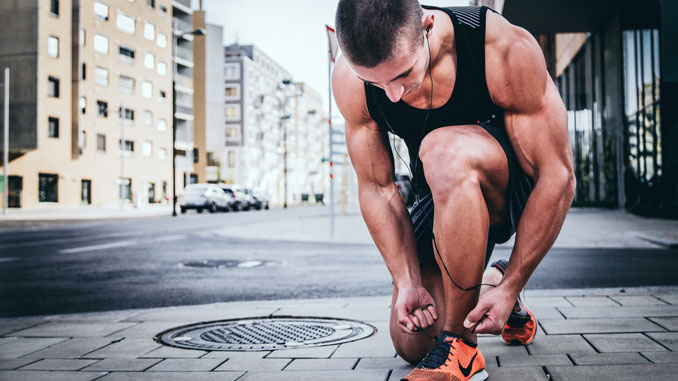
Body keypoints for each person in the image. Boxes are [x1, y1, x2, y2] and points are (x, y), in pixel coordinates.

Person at [332, 1, 575, 380]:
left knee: (443, 149)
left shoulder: (500, 48)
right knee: (412, 342)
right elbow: (378, 188)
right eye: (376, 83)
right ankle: (486, 282)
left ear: (427, 27)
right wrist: (406, 281)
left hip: (507, 188)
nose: (392, 95)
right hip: (439, 192)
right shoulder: (350, 80)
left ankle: (461, 351)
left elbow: (557, 176)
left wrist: (514, 282)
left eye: (402, 74)